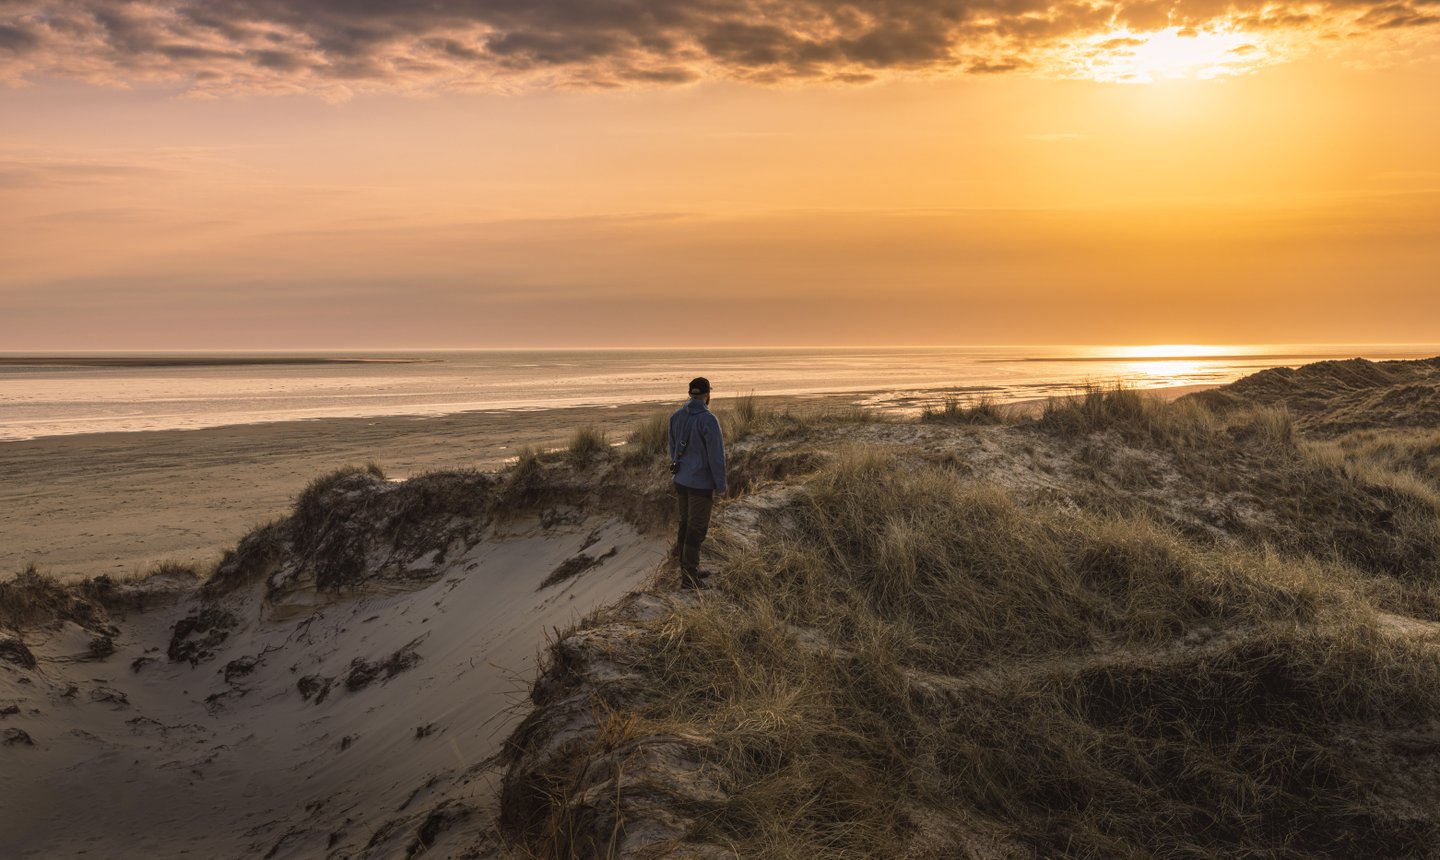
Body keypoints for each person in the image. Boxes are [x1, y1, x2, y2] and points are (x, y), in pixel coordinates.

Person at [669, 376, 727, 588]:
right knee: (697, 529)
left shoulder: (676, 416)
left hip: (681, 480)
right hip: (700, 484)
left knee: (685, 525)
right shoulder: (708, 420)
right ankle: (689, 577)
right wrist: (721, 485)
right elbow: (716, 457)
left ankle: (687, 570)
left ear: (690, 394)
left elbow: (672, 449)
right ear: (707, 395)